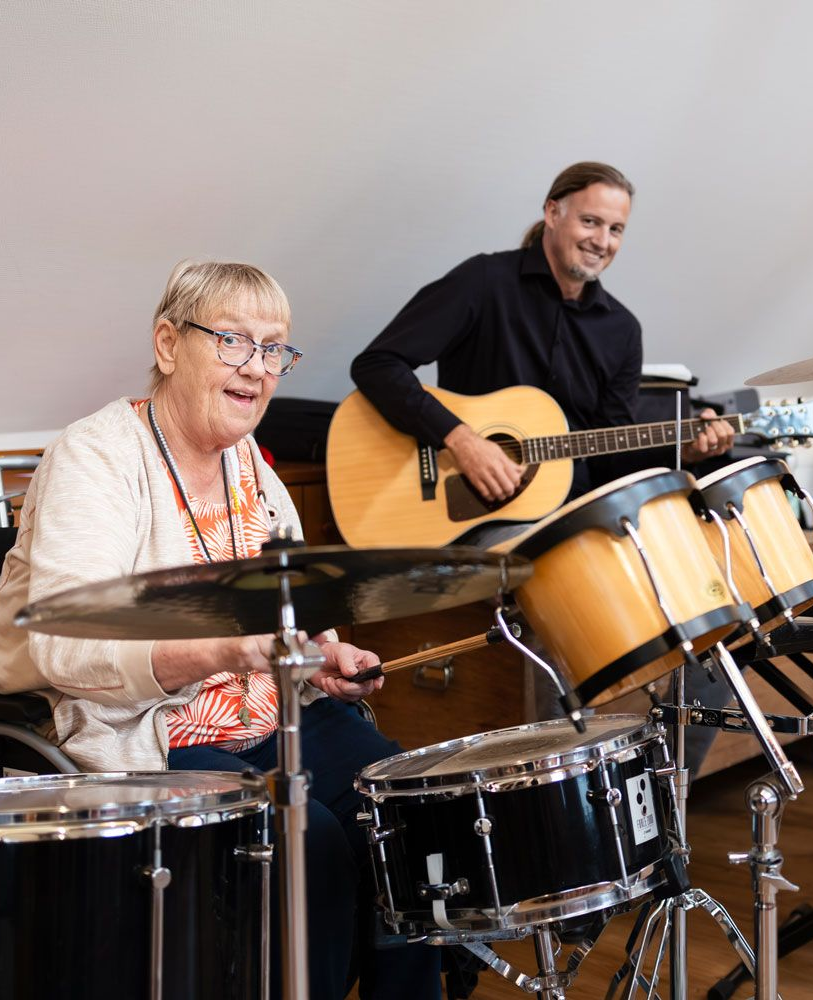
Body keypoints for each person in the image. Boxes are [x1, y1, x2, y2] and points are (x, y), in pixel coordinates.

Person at [0, 260, 443, 999]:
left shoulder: (253, 469)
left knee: (407, 810)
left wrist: (326, 654)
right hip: (153, 732)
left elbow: (294, 610)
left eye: (273, 348)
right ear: (168, 344)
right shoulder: (96, 456)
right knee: (308, 844)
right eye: (233, 340)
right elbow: (64, 643)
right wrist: (227, 648)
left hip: (271, 717)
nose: (258, 368)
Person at [350, 162, 735, 763]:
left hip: (579, 518)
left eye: (616, 229)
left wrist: (683, 448)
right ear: (553, 212)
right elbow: (377, 365)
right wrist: (461, 439)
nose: (602, 240)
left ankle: (663, 789)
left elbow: (609, 456)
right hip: (478, 518)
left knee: (711, 613)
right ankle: (566, 787)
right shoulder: (484, 283)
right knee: (556, 601)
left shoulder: (620, 329)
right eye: (590, 221)